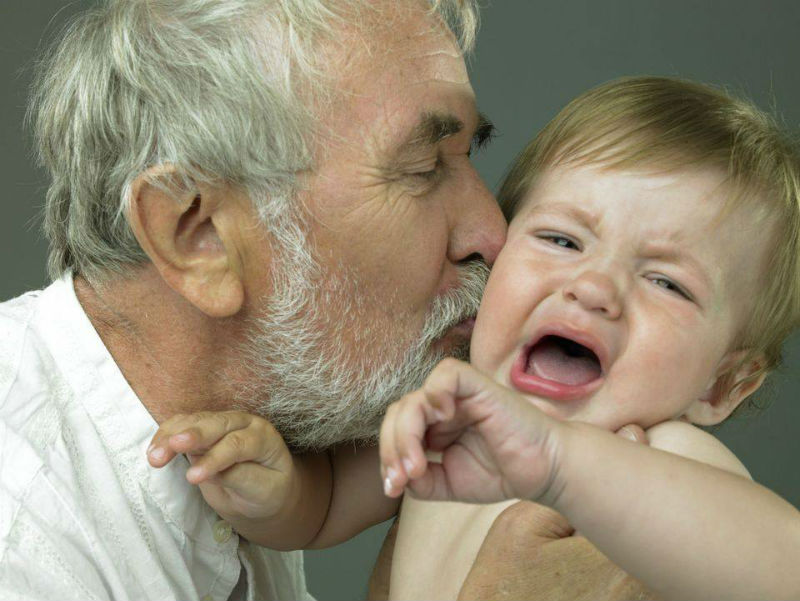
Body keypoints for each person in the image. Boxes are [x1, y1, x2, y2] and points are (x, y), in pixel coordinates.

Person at [0, 1, 649, 600]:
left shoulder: (254, 446)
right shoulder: (23, 539)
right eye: (423, 168)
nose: (493, 233)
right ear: (197, 236)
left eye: (467, 154)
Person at [378, 76, 800, 600]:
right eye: (562, 240)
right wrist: (285, 501)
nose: (595, 288)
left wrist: (561, 466)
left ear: (723, 384)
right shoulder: (444, 412)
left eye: (666, 282)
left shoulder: (668, 459)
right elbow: (329, 509)